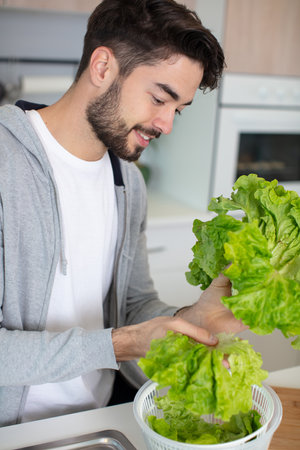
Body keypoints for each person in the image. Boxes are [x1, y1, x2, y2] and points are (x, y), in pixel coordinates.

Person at [0, 0, 245, 427]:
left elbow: (132, 303)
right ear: (102, 67)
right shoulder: (6, 163)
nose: (167, 124)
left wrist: (188, 319)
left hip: (104, 420)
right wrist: (118, 345)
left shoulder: (127, 183)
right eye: (159, 98)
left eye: (178, 110)